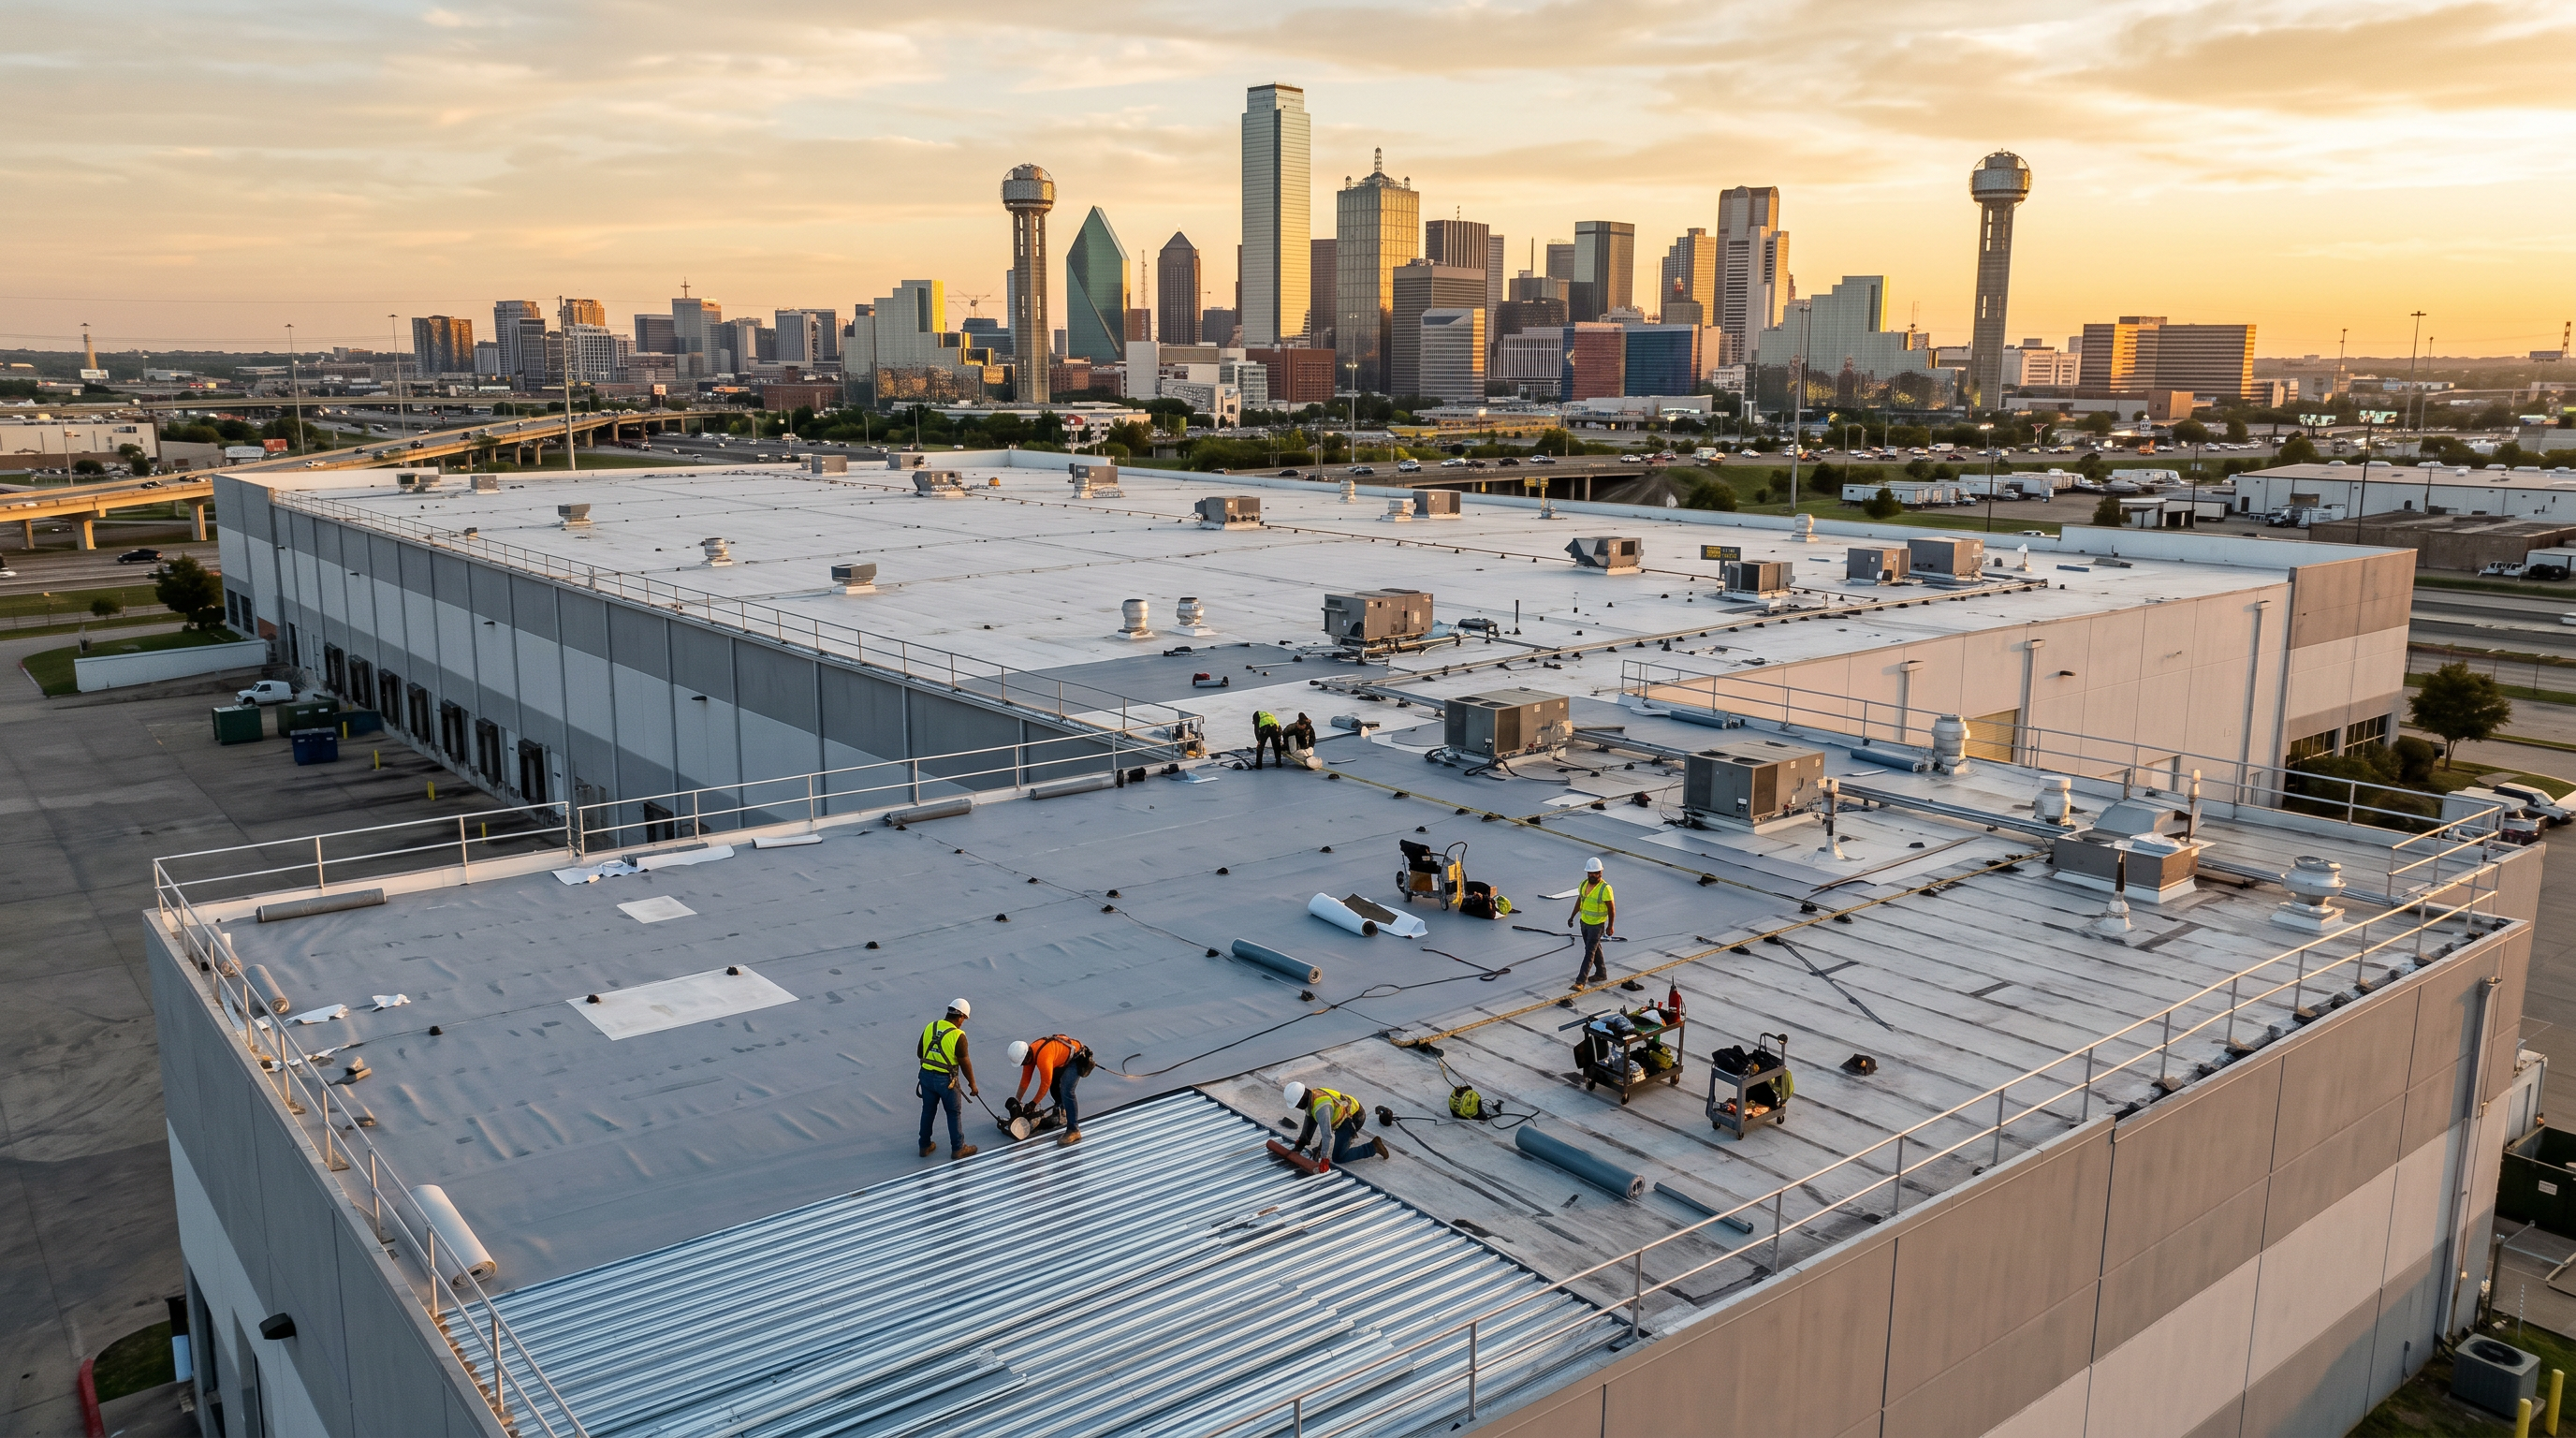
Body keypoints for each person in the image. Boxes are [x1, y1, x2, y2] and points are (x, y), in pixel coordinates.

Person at [916, 998, 979, 1160]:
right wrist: (973, 1084)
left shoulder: (931, 1026)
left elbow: (919, 1052)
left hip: (926, 1077)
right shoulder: (958, 1035)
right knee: (953, 1113)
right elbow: (964, 1062)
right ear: (960, 1017)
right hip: (947, 1082)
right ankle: (958, 1148)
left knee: (928, 1110)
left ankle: (924, 1145)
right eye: (964, 1020)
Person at [1281, 1080, 1385, 1171]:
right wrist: (1300, 1145)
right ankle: (1335, 1143)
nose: (1298, 1108)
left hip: (1353, 1117)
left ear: (1302, 1099)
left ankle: (1373, 1147)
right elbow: (1310, 1120)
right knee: (1314, 1118)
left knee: (1339, 1157)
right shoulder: (1311, 1096)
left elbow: (1327, 1134)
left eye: (1297, 1105)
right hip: (1345, 1109)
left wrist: (1324, 1159)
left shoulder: (1321, 1107)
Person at [1008, 1034, 1090, 1146]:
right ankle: (1061, 1113)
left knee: (1067, 1091)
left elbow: (1045, 1083)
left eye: (1023, 1063)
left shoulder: (1043, 1057)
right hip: (1063, 1059)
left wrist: (1033, 1103)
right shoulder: (1029, 1055)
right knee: (1055, 1086)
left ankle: (1074, 1130)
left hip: (1077, 1058)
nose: (1024, 1065)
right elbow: (1025, 1081)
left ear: (1027, 1055)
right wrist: (1018, 1100)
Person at [1566, 857, 1616, 989]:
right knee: (1594, 948)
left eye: (1595, 873)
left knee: (1589, 952)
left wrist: (1610, 926)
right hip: (1584, 923)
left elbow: (1611, 908)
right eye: (1590, 873)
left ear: (1600, 873)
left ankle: (1580, 982)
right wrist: (1572, 916)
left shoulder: (1605, 888)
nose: (1592, 875)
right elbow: (1580, 900)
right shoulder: (1583, 884)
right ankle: (1601, 973)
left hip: (1597, 925)